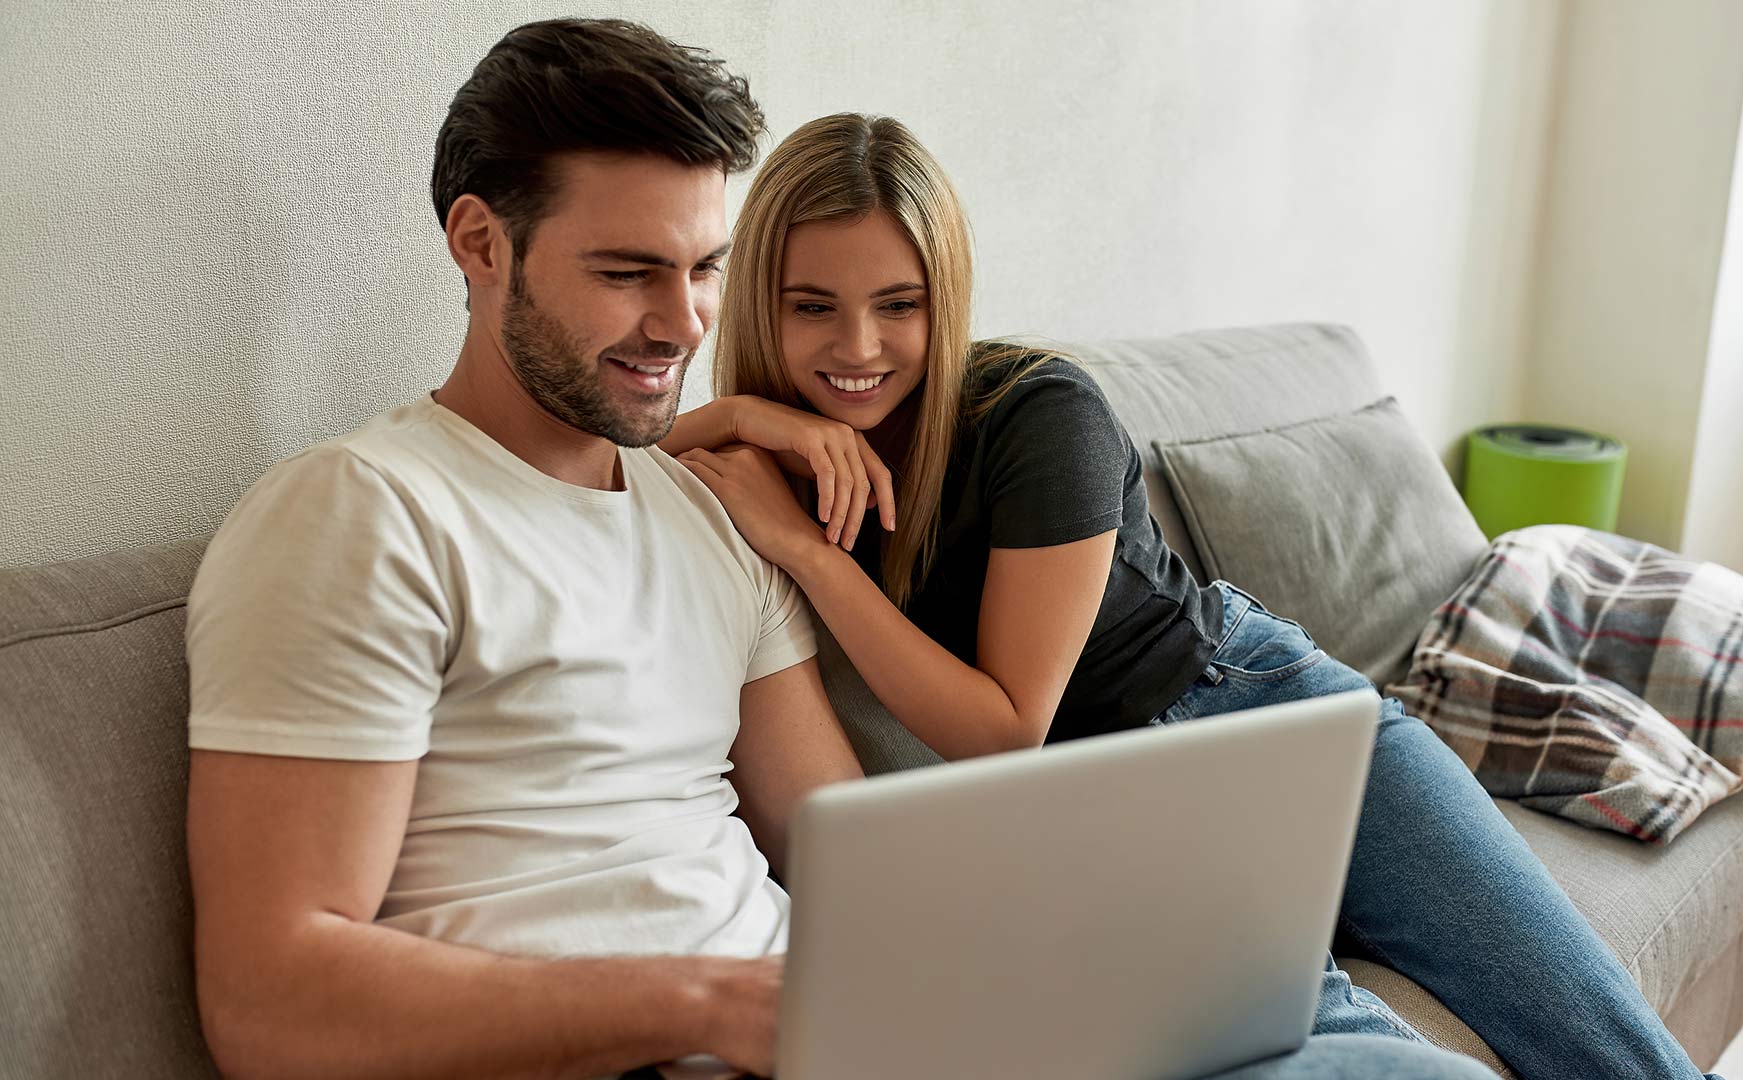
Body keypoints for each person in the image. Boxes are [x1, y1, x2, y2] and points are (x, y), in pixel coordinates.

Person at [184, 18, 1493, 1080]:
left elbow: (837, 838)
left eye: (703, 270)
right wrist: (711, 998)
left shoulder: (711, 510)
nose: (679, 322)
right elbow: (272, 1002)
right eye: (628, 271)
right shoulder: (362, 514)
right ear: (481, 244)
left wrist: (1099, 926)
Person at [671, 112, 1727, 1080]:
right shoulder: (777, 451)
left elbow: (1004, 728)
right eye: (814, 308)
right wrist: (751, 424)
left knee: (1599, 1043)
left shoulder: (1039, 412)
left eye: (898, 306)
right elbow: (629, 468)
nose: (856, 349)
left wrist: (814, 559)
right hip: (1111, 826)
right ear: (761, 302)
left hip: (1264, 718)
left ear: (945, 300)